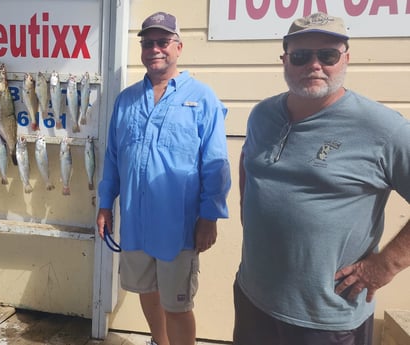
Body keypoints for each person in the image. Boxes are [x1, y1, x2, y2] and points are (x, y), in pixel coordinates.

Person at [235, 12, 410, 345]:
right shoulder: (262, 115)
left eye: (327, 55)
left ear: (346, 58)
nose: (313, 65)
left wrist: (387, 264)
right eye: (300, 56)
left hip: (324, 319)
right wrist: (249, 210)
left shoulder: (384, 129)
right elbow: (248, 160)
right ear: (284, 60)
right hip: (252, 297)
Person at [96, 11, 231, 345]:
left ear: (179, 47)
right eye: (148, 43)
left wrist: (209, 217)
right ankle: (160, 341)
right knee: (147, 290)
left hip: (179, 227)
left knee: (177, 305)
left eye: (163, 41)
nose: (155, 49)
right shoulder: (126, 100)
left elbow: (216, 163)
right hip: (137, 223)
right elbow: (113, 158)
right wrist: (105, 205)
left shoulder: (202, 98)